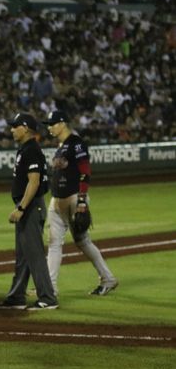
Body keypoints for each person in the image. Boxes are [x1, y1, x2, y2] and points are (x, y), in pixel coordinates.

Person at [44, 110, 118, 296]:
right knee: (53, 243)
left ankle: (108, 278)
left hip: (74, 198)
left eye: (52, 123)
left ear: (62, 124)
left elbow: (85, 172)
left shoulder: (76, 144)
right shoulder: (62, 145)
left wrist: (83, 200)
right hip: (57, 200)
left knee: (83, 241)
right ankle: (49, 287)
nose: (49, 127)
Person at [0, 113, 58, 310]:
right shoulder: (25, 149)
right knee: (23, 256)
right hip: (28, 206)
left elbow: (34, 181)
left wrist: (21, 208)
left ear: (26, 128)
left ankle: (47, 297)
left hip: (31, 206)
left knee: (34, 254)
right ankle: (17, 296)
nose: (12, 129)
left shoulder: (32, 150)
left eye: (15, 126)